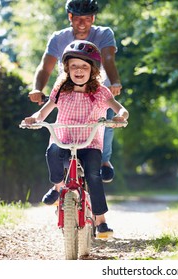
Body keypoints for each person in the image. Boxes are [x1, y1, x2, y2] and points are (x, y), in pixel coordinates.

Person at [22, 40, 129, 236]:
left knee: (94, 176)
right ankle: (58, 186)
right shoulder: (61, 89)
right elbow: (44, 111)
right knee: (52, 151)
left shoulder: (99, 91)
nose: (78, 70)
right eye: (73, 66)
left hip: (90, 144)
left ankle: (101, 220)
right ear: (67, 68)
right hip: (63, 140)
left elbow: (119, 108)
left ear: (93, 70)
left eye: (84, 66)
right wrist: (34, 119)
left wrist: (121, 116)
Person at [28, 0, 120, 183]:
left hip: (96, 92)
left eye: (87, 18)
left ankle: (104, 161)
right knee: (60, 129)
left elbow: (108, 59)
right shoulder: (58, 37)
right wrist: (37, 88)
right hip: (69, 92)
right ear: (70, 17)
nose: (82, 23)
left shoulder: (104, 34)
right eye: (78, 18)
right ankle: (58, 186)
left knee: (106, 122)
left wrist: (115, 82)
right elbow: (45, 68)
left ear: (93, 18)